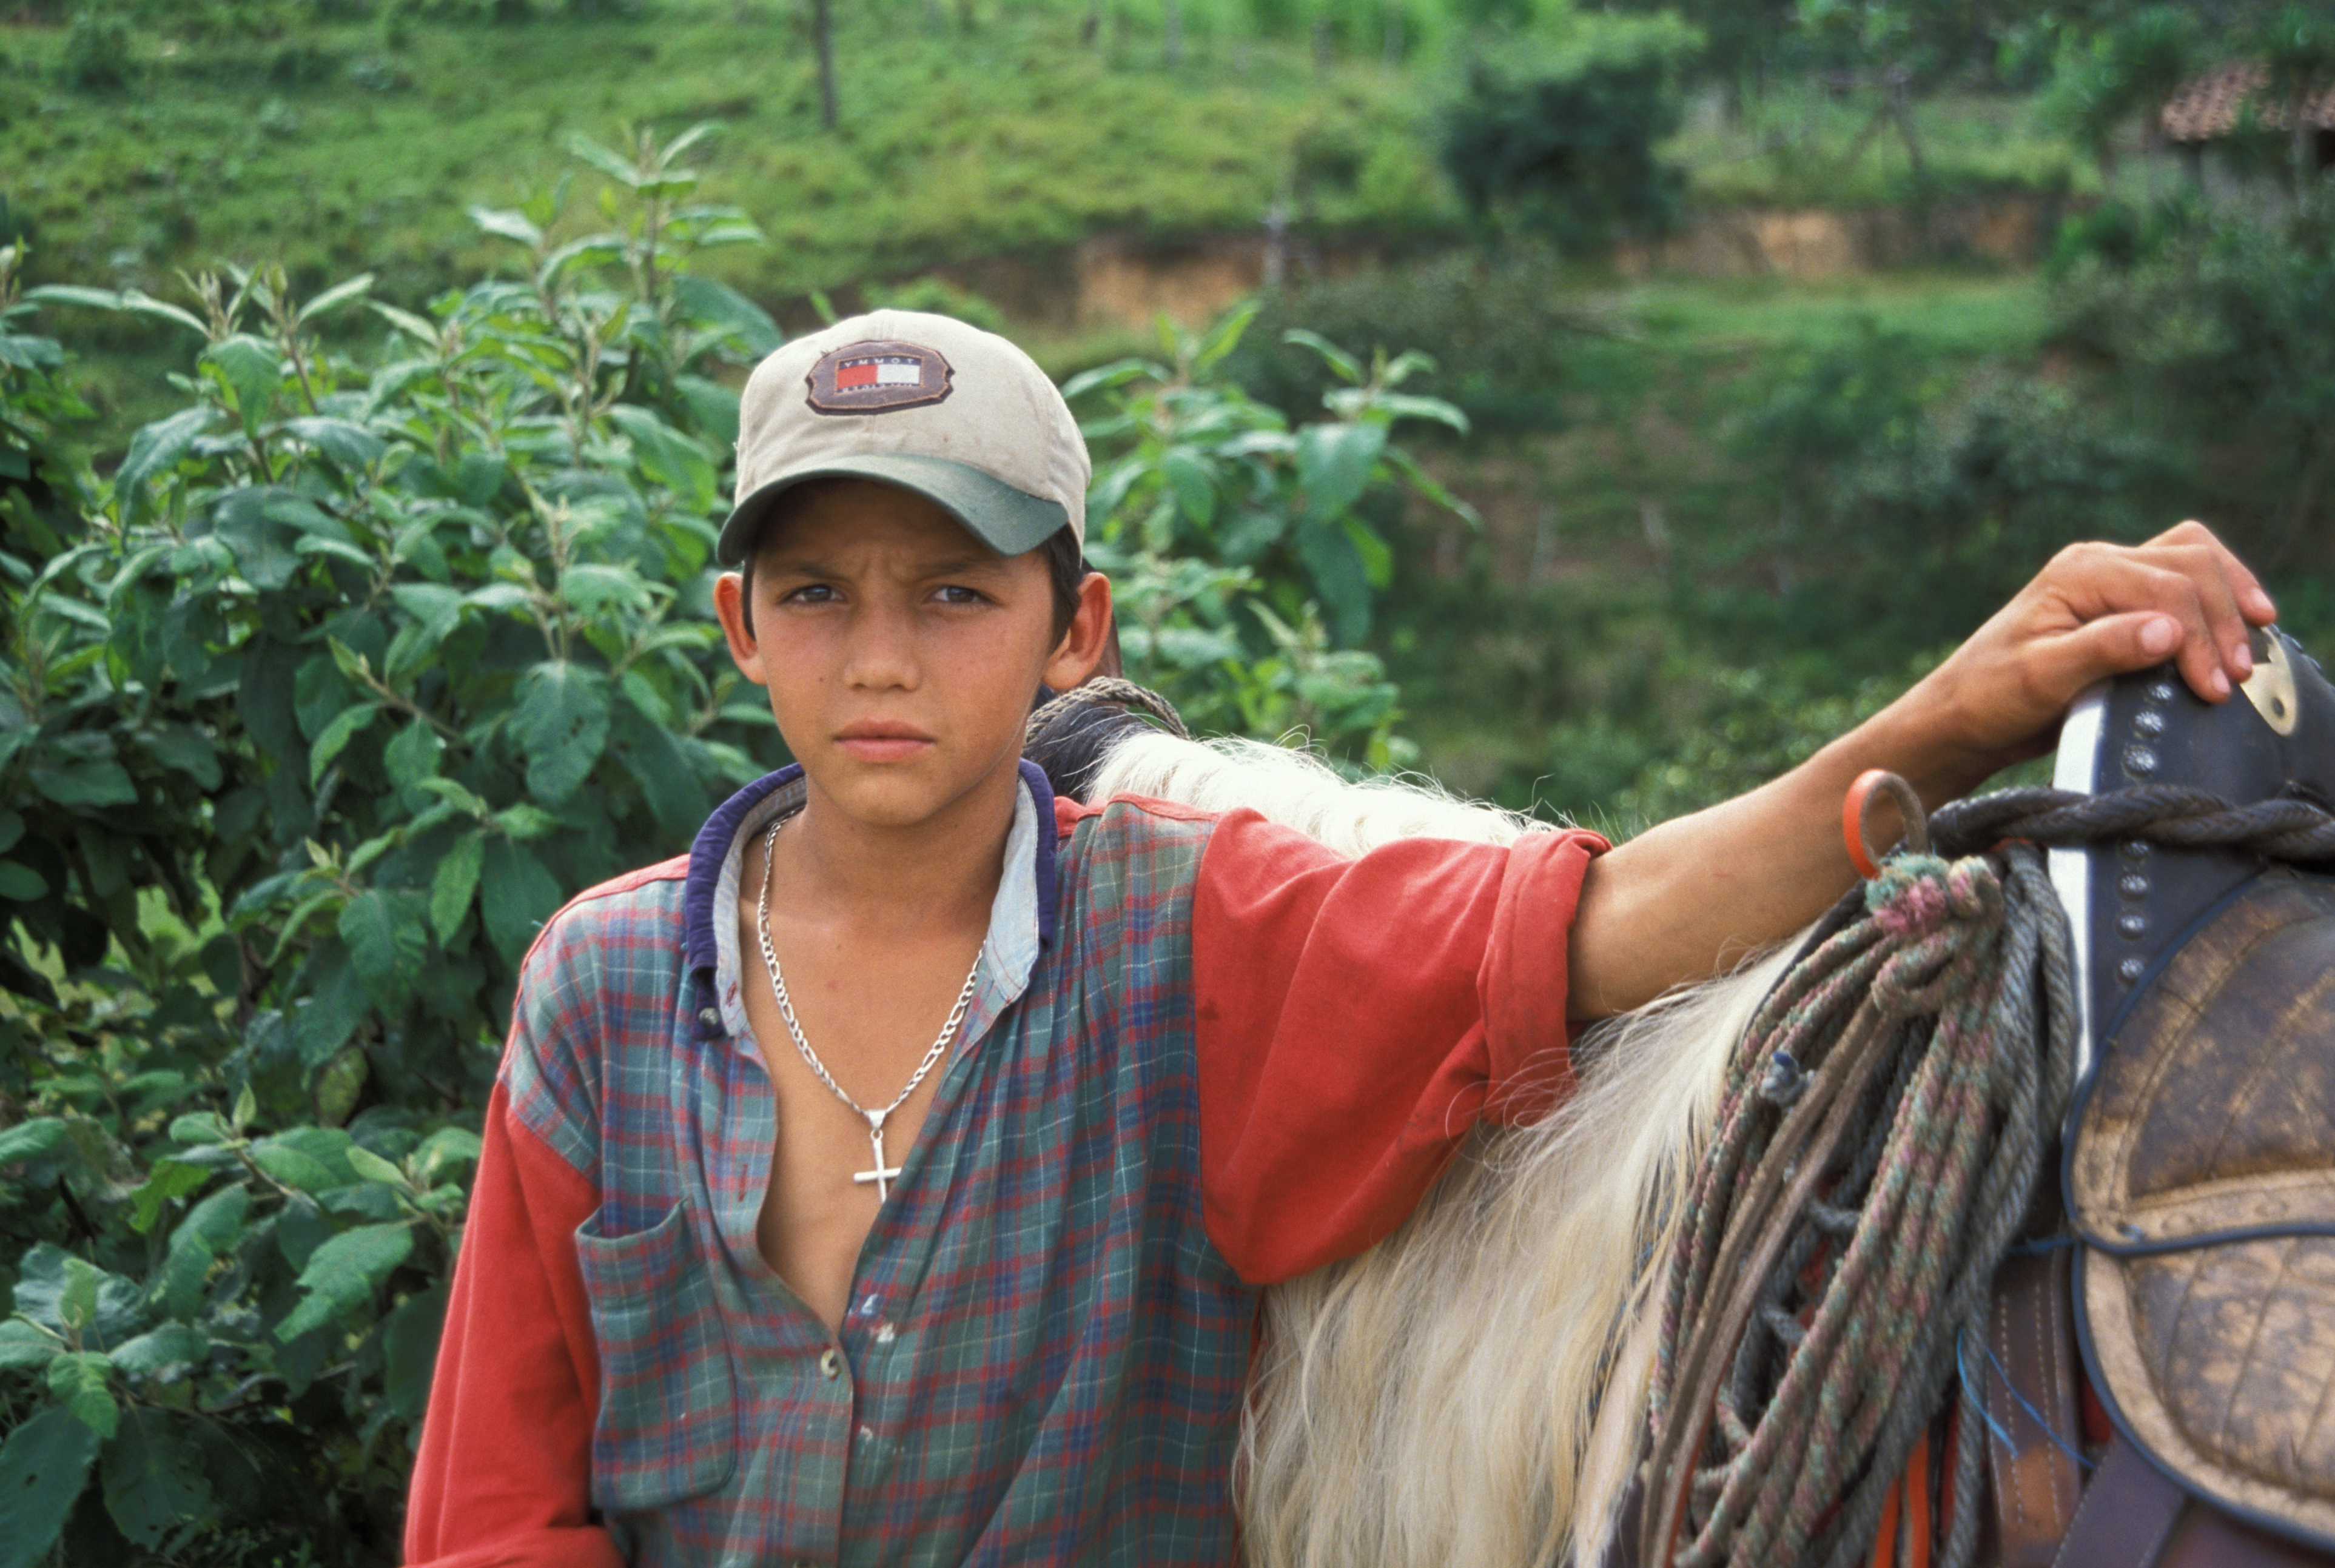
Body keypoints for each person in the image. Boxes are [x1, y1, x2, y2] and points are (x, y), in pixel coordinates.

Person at [401, 310, 2274, 1567]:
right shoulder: (600, 991)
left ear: (1074, 630)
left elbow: (1590, 927)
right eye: (816, 592)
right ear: (739, 625)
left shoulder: (1185, 936)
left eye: (955, 590)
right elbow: (493, 1505)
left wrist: (1949, 715)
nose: (878, 653)